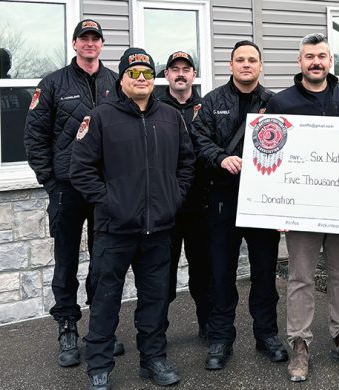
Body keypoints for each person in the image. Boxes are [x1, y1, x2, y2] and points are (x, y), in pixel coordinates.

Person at [70, 47, 195, 389]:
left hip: (159, 229)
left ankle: (152, 359)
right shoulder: (100, 117)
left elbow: (187, 164)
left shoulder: (170, 117)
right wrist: (111, 202)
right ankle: (99, 366)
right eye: (133, 73)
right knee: (106, 299)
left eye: (146, 73)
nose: (141, 79)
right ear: (122, 79)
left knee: (155, 299)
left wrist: (174, 197)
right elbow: (80, 170)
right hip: (115, 229)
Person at [264, 32, 339, 382]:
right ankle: (300, 344)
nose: (316, 62)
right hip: (301, 208)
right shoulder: (281, 103)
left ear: (330, 61)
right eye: (310, 56)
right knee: (300, 277)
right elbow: (272, 158)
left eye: (322, 56)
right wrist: (275, 206)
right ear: (300, 62)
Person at [23, 18, 123, 367]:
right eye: (84, 38)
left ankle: (99, 328)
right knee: (66, 259)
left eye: (95, 39)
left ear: (102, 45)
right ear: (75, 43)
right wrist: (50, 181)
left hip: (104, 188)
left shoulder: (115, 82)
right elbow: (34, 138)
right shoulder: (52, 84)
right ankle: (67, 324)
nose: (90, 44)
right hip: (66, 187)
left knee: (104, 259)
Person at [190, 40, 287, 370]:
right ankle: (220, 338)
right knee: (221, 273)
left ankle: (267, 335)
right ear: (230, 65)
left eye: (252, 60)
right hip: (223, 196)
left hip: (262, 200)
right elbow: (197, 139)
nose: (246, 65)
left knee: (263, 273)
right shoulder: (212, 101)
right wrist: (220, 157)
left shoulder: (276, 102)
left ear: (261, 66)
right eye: (240, 60)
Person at [155, 50, 212, 339]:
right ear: (166, 75)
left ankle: (208, 326)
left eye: (186, 69)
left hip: (199, 205)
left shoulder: (207, 106)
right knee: (161, 275)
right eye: (174, 69)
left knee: (203, 272)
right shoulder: (153, 108)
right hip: (166, 206)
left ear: (193, 75)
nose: (180, 73)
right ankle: (157, 332)